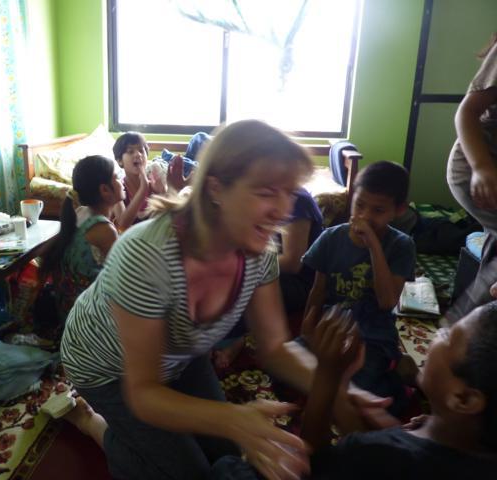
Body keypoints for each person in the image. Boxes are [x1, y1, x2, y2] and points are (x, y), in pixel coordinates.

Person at [59, 120, 393, 480]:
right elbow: (143, 392)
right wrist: (231, 418)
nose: (283, 209)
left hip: (180, 356)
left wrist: (341, 391)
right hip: (107, 368)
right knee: (189, 473)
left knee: (226, 453)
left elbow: (275, 348)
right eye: (266, 192)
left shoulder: (258, 252)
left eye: (289, 192)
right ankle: (96, 425)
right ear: (216, 188)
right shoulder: (146, 254)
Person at [210, 302, 497, 479]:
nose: (437, 332)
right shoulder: (463, 442)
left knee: (228, 468)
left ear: (463, 399)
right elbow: (370, 443)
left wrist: (327, 374)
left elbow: (314, 460)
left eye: (448, 335)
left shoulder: (381, 455)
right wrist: (342, 382)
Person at [301, 161, 416, 416]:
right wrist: (307, 330)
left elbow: (387, 301)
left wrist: (374, 246)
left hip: (372, 335)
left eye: (378, 210)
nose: (364, 216)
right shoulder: (331, 237)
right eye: (359, 205)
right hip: (332, 326)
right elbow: (318, 291)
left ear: (398, 210)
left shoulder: (401, 246)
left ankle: (397, 372)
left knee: (364, 390)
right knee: (291, 368)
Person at [212, 187, 323, 369]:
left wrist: (242, 268)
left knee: (240, 287)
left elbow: (292, 262)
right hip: (275, 271)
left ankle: (232, 340)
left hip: (299, 282)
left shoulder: (299, 201)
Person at [446, 32, 497, 324]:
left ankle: (463, 332)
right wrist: (482, 167)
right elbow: (466, 111)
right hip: (479, 165)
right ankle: (462, 332)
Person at [39, 154, 124, 321]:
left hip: (69, 312)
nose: (122, 182)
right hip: (89, 319)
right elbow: (124, 278)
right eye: (117, 178)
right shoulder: (104, 231)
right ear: (104, 190)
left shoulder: (80, 213)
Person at [112, 131, 203, 230]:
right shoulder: (118, 188)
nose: (138, 154)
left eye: (141, 150)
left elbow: (167, 217)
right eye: (130, 151)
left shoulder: (154, 185)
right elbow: (122, 224)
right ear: (120, 161)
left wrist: (162, 193)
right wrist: (143, 189)